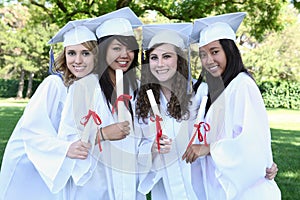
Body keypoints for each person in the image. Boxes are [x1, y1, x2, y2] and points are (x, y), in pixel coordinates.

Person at [182, 12, 281, 199]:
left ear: (229, 51)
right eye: (203, 54)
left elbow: (252, 141)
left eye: (214, 52)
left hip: (245, 191)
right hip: (219, 185)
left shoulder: (242, 85)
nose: (208, 60)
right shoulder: (215, 90)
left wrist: (209, 148)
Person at [0, 20, 97, 199]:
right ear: (64, 55)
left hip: (55, 161)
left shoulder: (84, 88)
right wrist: (66, 148)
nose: (78, 60)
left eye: (85, 53)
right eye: (71, 53)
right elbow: (31, 129)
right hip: (28, 161)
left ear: (95, 56)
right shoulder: (54, 84)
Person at [62, 7, 145, 199]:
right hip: (96, 183)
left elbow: (142, 137)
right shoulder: (84, 87)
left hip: (129, 180)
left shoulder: (138, 88)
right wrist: (103, 134)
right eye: (116, 48)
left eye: (129, 48)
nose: (125, 54)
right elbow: (67, 138)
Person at [135, 23, 202, 200]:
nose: (160, 64)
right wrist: (152, 148)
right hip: (164, 187)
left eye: (167, 56)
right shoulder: (143, 101)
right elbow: (136, 142)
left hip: (197, 180)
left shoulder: (198, 94)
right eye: (154, 58)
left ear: (179, 59)